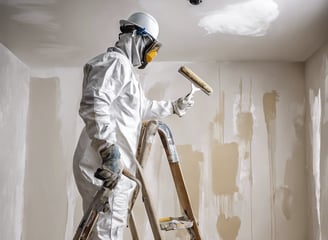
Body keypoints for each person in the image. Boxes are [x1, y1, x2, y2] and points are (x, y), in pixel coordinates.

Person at [73, 12, 194, 240]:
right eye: (151, 49)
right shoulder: (115, 63)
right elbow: (94, 102)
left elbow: (141, 108)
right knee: (106, 233)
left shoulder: (125, 70)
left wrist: (175, 106)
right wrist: (109, 151)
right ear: (138, 36)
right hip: (106, 167)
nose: (150, 56)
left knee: (110, 231)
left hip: (114, 167)